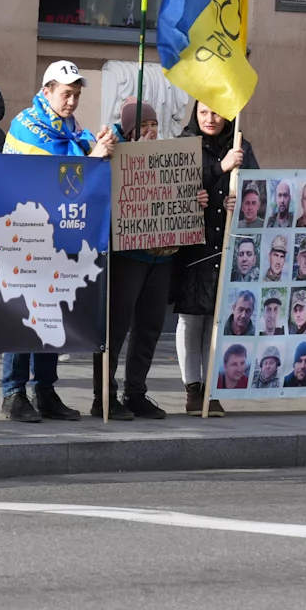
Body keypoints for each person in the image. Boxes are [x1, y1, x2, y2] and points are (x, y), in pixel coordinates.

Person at [0, 61, 112, 422]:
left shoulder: (71, 128)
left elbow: (85, 156)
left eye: (77, 95)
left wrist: (107, 144)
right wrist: (92, 160)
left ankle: (45, 389)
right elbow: (54, 179)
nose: (73, 101)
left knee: (51, 313)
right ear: (47, 91)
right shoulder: (27, 126)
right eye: (66, 94)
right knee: (24, 313)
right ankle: (13, 392)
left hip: (59, 236)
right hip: (24, 234)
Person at [91, 98, 177, 422]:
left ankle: (136, 392)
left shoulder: (166, 154)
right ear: (129, 129)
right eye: (144, 126)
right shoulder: (115, 152)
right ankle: (104, 397)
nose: (151, 131)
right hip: (126, 255)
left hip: (159, 256)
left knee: (150, 326)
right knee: (114, 328)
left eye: (154, 125)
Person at [172, 103, 253, 417]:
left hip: (227, 247)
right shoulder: (186, 143)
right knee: (191, 320)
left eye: (217, 113)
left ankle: (210, 388)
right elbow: (172, 188)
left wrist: (243, 196)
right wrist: (218, 170)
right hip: (194, 248)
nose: (210, 119)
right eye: (204, 112)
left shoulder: (240, 146)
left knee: (215, 323)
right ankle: (193, 388)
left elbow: (260, 190)